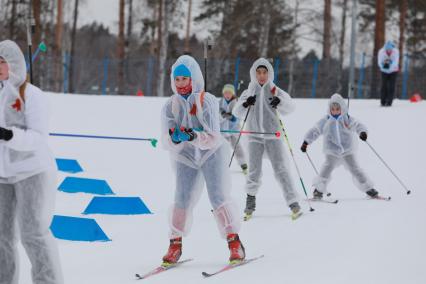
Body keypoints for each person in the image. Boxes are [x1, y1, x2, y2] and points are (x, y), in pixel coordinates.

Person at [161, 55, 245, 266]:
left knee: (217, 197)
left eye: (184, 78)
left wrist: (192, 135)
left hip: (211, 154)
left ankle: (234, 242)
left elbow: (214, 136)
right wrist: (174, 136)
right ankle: (175, 244)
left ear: (193, 78)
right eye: (177, 79)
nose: (180, 83)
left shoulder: (206, 100)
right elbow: (166, 140)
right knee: (181, 199)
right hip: (186, 156)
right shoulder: (169, 105)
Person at [0, 40, 64, 283]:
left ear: (15, 63)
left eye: (3, 61)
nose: (0, 66)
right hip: (3, 176)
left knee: (32, 233)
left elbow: (38, 138)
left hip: (31, 172)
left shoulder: (32, 95)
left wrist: (9, 135)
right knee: (2, 236)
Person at [232, 58, 301, 221]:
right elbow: (236, 112)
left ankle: (293, 203)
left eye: (264, 73)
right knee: (254, 171)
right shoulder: (249, 91)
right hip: (254, 137)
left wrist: (280, 102)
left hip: (273, 136)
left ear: (269, 74)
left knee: (281, 169)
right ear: (254, 74)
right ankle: (250, 203)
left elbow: (290, 107)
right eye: (259, 73)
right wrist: (245, 104)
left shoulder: (275, 89)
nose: (262, 76)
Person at [300, 93, 380, 199]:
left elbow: (358, 125)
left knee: (355, 169)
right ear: (329, 109)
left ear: (342, 108)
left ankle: (369, 188)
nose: (335, 111)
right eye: (332, 109)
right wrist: (306, 142)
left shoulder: (347, 119)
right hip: (331, 151)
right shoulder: (326, 120)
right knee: (326, 169)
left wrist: (362, 132)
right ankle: (318, 190)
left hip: (347, 150)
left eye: (337, 108)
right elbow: (315, 130)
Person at [219, 84, 248, 174]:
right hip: (223, 131)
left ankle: (243, 164)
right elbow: (217, 114)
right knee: (223, 149)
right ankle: (222, 165)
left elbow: (239, 115)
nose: (227, 95)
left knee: (237, 148)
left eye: (229, 93)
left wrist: (232, 118)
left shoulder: (236, 102)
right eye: (226, 93)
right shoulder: (220, 102)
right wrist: (222, 115)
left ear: (233, 94)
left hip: (234, 130)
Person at [378, 40, 399, 107]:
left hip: (393, 71)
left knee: (391, 86)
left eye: (390, 50)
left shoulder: (396, 51)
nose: (389, 51)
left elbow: (395, 62)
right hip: (384, 71)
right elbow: (379, 62)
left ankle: (389, 102)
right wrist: (384, 66)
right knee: (384, 86)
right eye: (387, 50)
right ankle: (382, 101)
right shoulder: (381, 52)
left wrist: (389, 66)